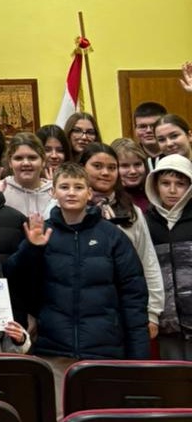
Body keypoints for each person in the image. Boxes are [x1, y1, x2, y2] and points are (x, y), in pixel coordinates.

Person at [6, 164, 149, 412]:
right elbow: (16, 283)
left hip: (103, 353)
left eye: (78, 187)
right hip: (54, 350)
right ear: (53, 192)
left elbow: (133, 297)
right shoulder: (40, 233)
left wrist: (138, 357)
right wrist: (32, 248)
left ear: (89, 193)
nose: (71, 192)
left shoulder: (112, 236)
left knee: (101, 417)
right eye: (64, 186)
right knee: (58, 415)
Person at [80, 143, 164, 337]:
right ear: (82, 167)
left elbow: (147, 260)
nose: (105, 173)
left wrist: (152, 312)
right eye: (97, 166)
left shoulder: (131, 211)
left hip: (125, 309)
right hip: (82, 310)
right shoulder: (67, 207)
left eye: (112, 167)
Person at [143, 154, 192, 359]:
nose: (172, 190)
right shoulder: (145, 221)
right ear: (155, 186)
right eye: (165, 183)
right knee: (173, 375)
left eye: (180, 184)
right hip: (166, 322)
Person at [0, 133, 54, 216]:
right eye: (18, 158)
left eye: (32, 157)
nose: (26, 163)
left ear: (43, 161)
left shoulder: (55, 192)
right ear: (10, 162)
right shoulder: (0, 191)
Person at [113, 137, 152, 210]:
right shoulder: (109, 200)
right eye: (125, 166)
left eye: (137, 164)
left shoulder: (155, 195)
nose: (133, 171)